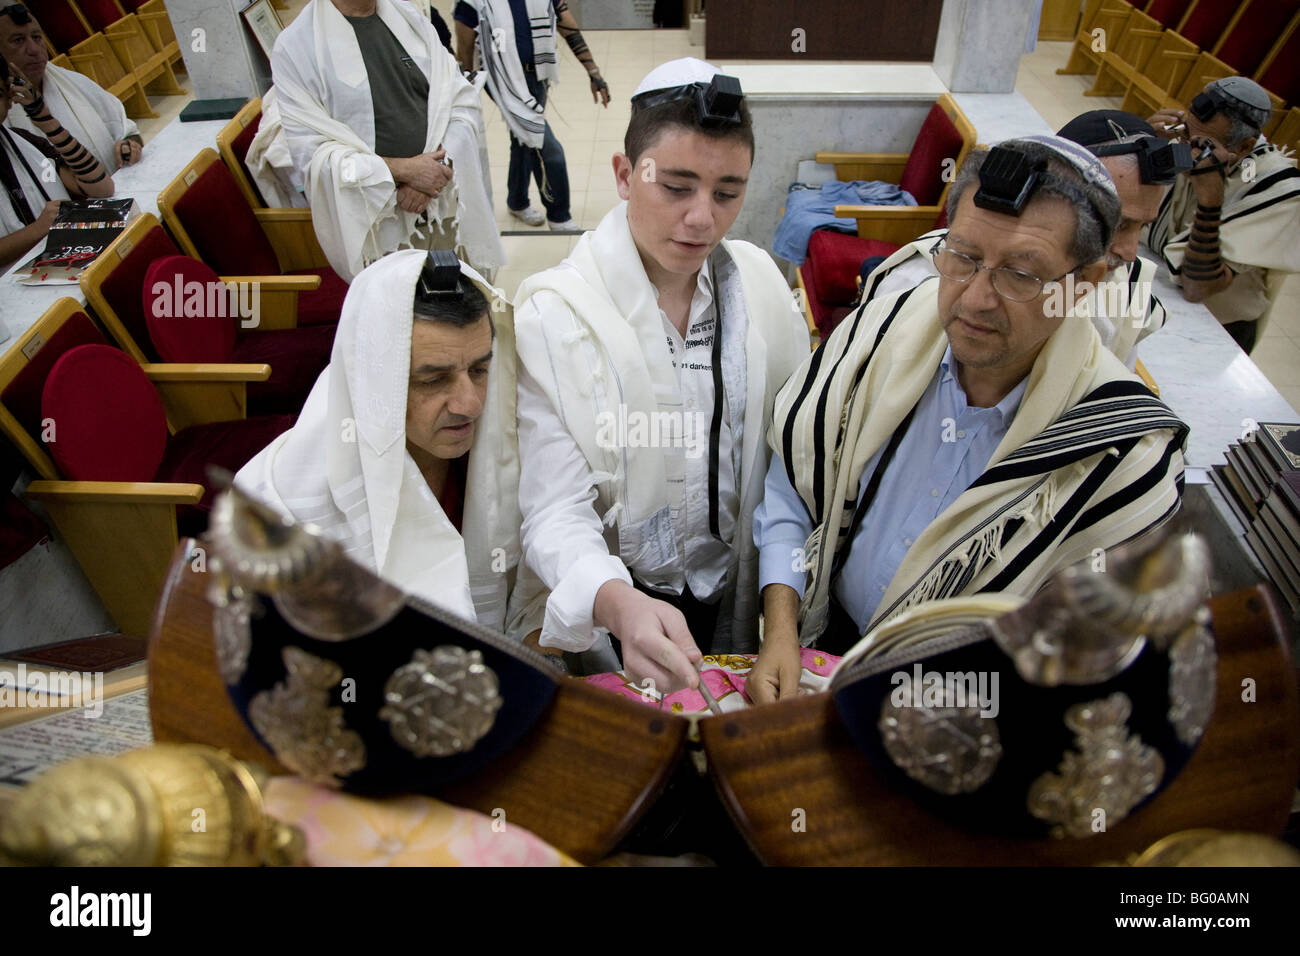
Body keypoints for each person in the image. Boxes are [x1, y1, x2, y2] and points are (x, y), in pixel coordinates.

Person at [750, 136, 1188, 703]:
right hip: (820, 641)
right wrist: (782, 628)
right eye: (962, 257)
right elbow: (796, 483)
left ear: (1084, 286)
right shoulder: (884, 330)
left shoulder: (1121, 455)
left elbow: (1084, 667)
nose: (975, 299)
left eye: (1021, 275)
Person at [512, 58, 810, 690]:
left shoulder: (759, 286)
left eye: (728, 193)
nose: (703, 218)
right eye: (676, 187)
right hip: (621, 598)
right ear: (625, 174)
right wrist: (620, 605)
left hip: (734, 588)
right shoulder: (558, 314)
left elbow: (790, 453)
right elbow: (554, 510)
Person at [236, 249, 527, 631]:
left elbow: (536, 584)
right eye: (433, 380)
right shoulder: (279, 506)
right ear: (374, 383)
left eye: (479, 369)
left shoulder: (508, 443)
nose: (469, 404)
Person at [860, 110, 1185, 369]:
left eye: (1141, 227)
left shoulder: (1125, 286)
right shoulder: (917, 282)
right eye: (1116, 225)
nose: (1130, 253)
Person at [271, 0, 505, 282]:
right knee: (395, 314)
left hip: (443, 203)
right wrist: (405, 172)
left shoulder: (408, 18)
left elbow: (459, 100)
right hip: (377, 223)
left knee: (457, 309)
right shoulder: (296, 46)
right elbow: (313, 154)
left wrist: (432, 174)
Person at [1146, 77, 1300, 353]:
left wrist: (1210, 200)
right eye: (1185, 134)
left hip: (1217, 327)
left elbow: (1197, 289)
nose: (1186, 148)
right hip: (1158, 290)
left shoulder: (1281, 190)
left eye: (1199, 144)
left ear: (1243, 147)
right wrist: (1146, 146)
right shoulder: (1183, 138)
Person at [453, 0, 610, 231]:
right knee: (547, 148)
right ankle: (559, 216)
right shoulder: (473, 2)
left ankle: (517, 201)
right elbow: (465, 52)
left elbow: (569, 30)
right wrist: (466, 98)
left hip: (538, 76)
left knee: (523, 141)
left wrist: (594, 73)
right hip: (503, 80)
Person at [1, 54, 114, 267]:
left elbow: (102, 188)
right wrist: (38, 229)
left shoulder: (24, 143)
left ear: (9, 100)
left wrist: (42, 116)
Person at [0, 3, 142, 171]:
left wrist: (130, 145)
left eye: (37, 37)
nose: (34, 49)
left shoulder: (71, 81)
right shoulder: (3, 109)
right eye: (18, 40)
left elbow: (129, 131)